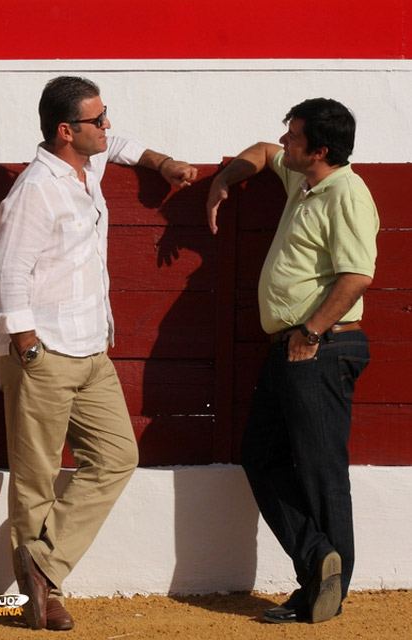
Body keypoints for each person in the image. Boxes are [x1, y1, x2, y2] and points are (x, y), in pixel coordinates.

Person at [0, 75, 198, 631]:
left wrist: (162, 161)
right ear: (65, 131)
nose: (108, 127)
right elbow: (6, 274)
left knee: (116, 457)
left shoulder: (88, 163)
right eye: (98, 120)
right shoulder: (35, 190)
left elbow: (123, 144)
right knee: (35, 476)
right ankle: (43, 594)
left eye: (105, 117)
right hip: (43, 350)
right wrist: (28, 347)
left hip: (89, 347)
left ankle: (41, 564)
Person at [206, 98, 379, 624]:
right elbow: (260, 152)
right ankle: (316, 561)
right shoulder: (306, 183)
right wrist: (223, 180)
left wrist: (309, 331)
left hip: (320, 346)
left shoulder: (344, 192)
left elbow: (357, 276)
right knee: (261, 455)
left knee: (321, 469)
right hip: (294, 347)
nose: (285, 142)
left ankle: (326, 592)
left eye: (295, 137)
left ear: (320, 150)